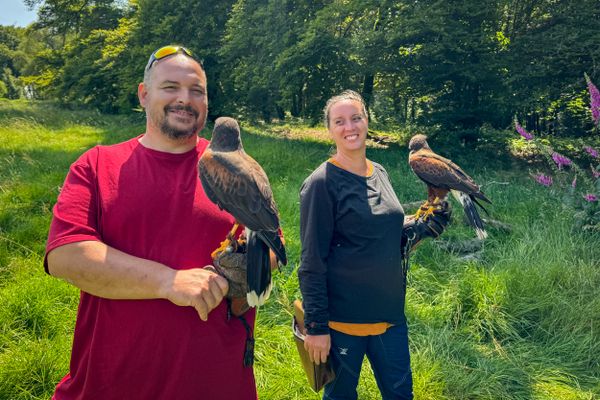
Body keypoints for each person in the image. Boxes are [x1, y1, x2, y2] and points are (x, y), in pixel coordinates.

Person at [44, 45, 258, 399]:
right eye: (170, 87)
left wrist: (250, 267)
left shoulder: (235, 168)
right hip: (113, 383)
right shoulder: (97, 165)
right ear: (144, 95)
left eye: (196, 91)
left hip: (218, 383)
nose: (184, 99)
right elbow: (66, 256)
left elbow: (267, 246)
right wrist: (168, 281)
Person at [298, 90, 451, 400]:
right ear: (330, 129)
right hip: (343, 323)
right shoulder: (322, 183)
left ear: (366, 121)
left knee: (400, 395)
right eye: (339, 121)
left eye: (356, 118)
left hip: (390, 317)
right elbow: (312, 261)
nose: (349, 127)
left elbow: (383, 229)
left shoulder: (379, 171)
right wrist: (316, 327)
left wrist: (416, 228)